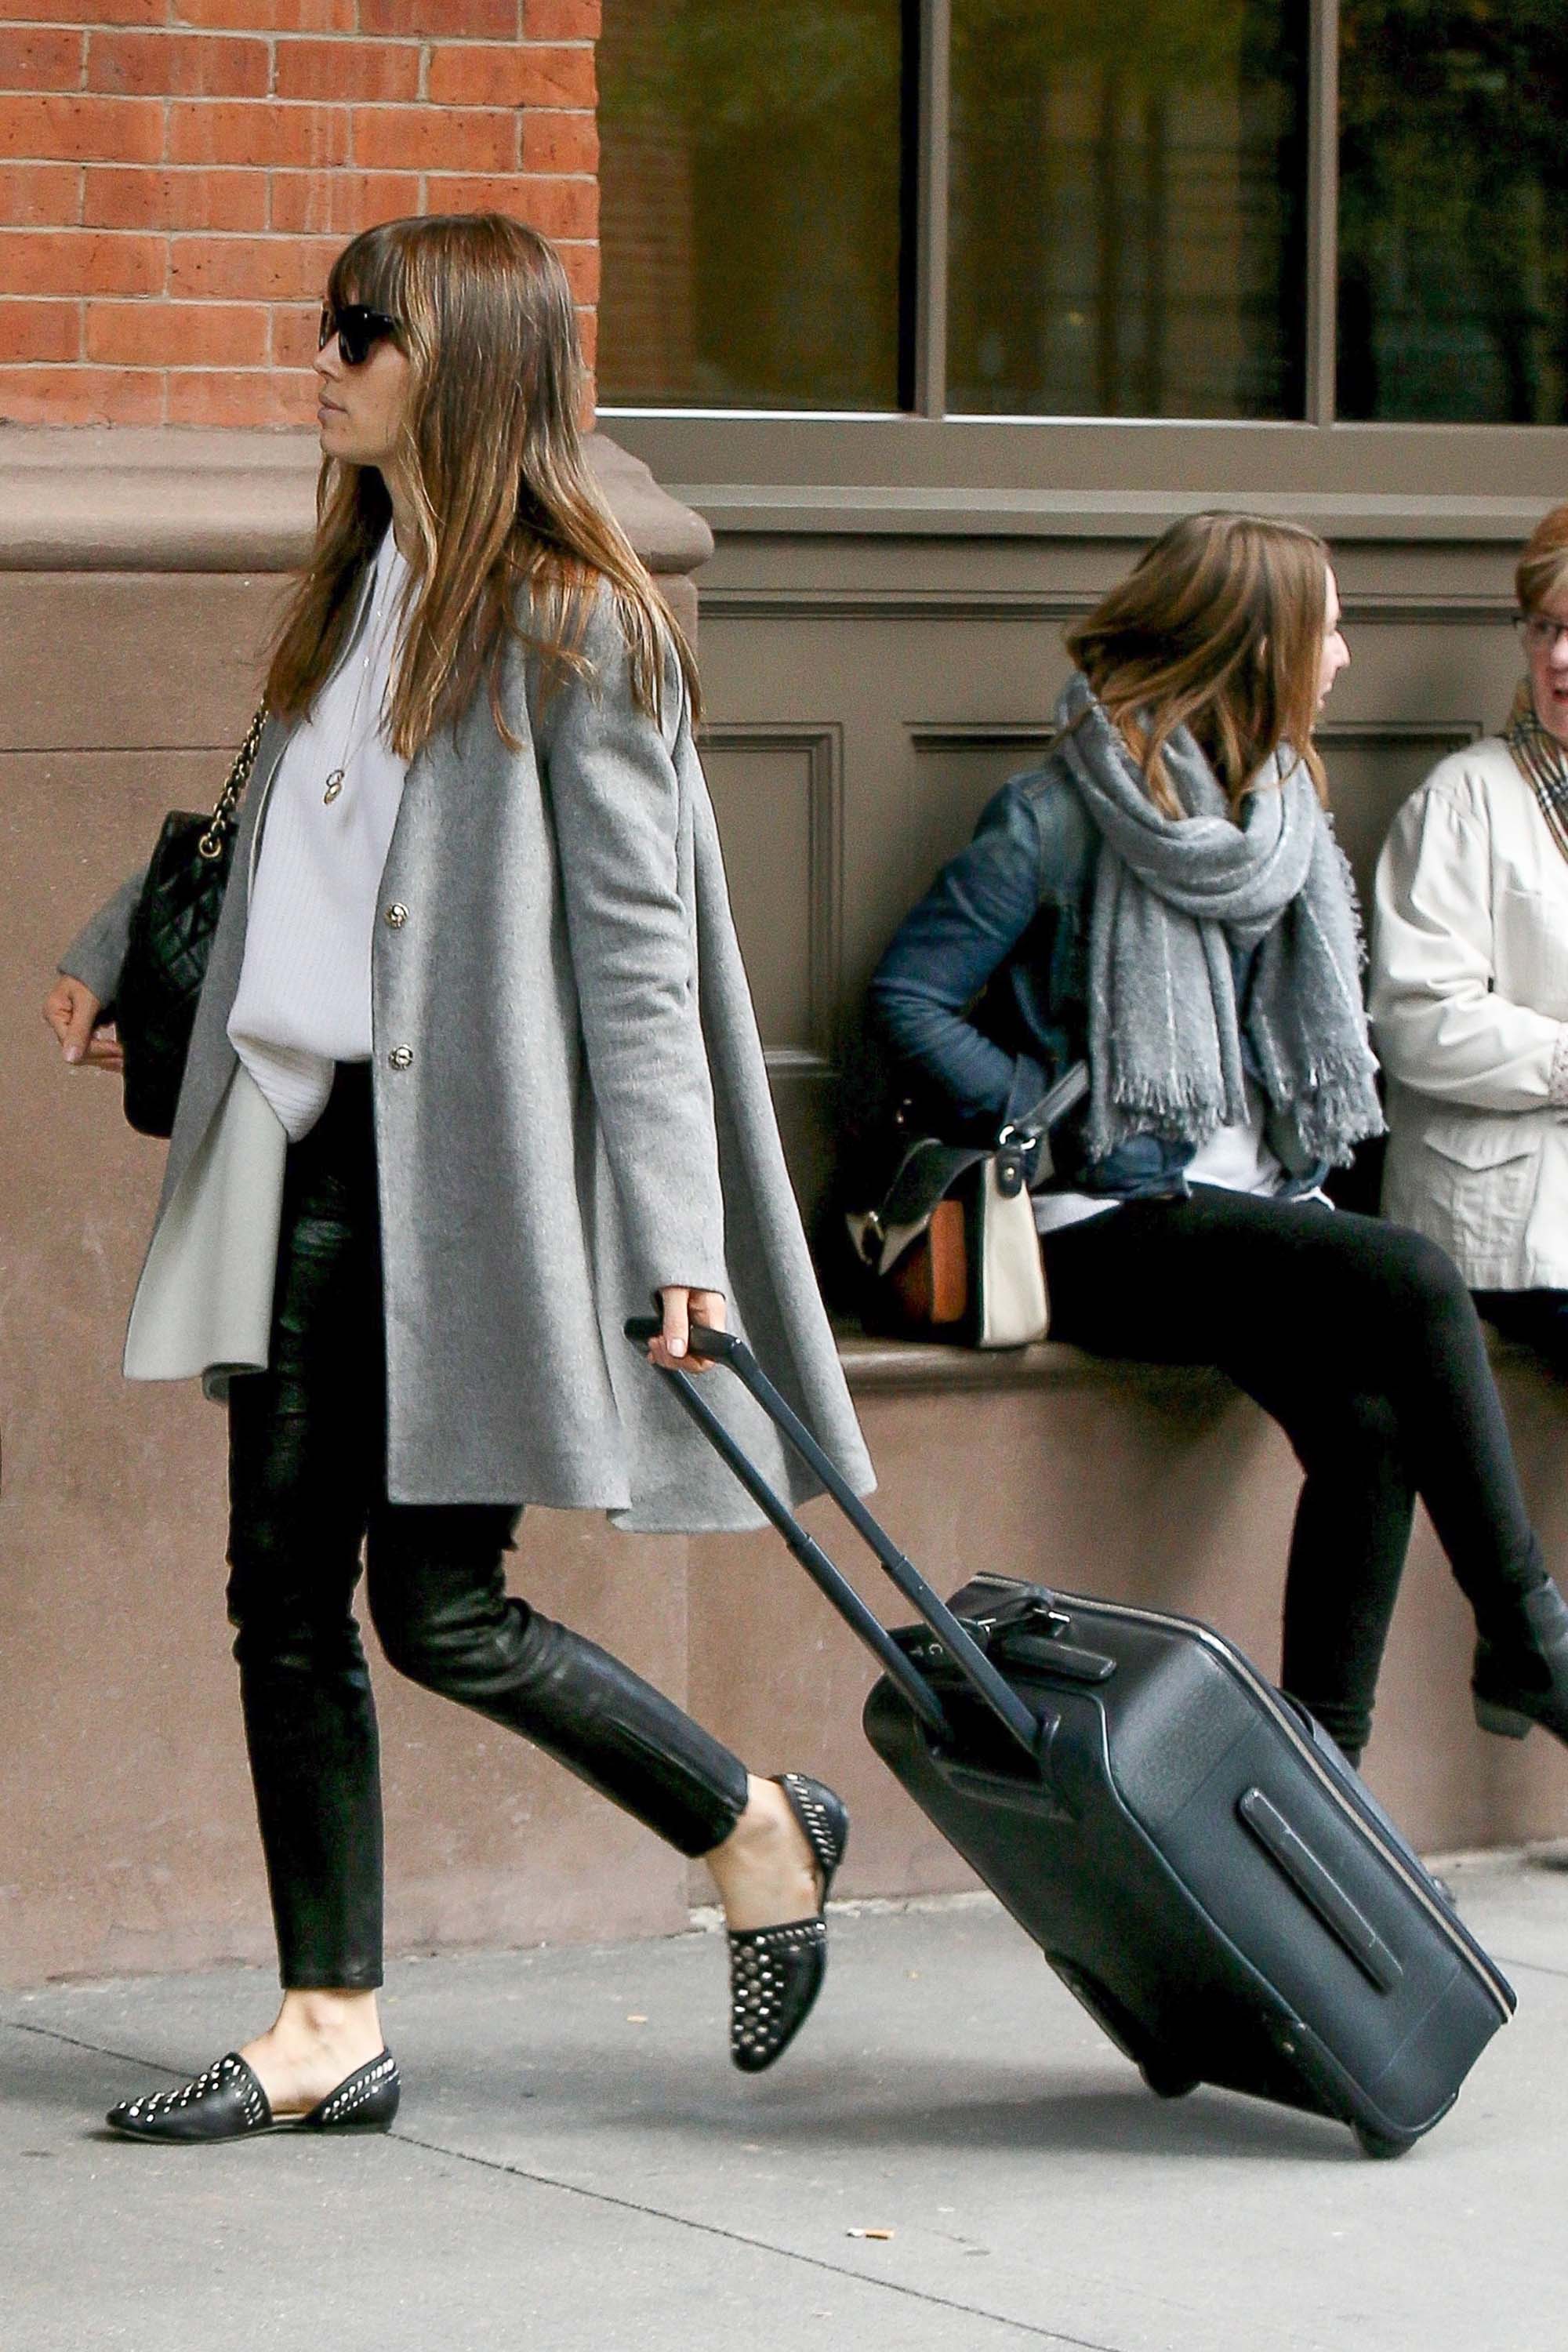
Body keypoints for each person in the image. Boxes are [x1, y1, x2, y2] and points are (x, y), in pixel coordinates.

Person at [44, 214, 869, 2145]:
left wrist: (678, 1238)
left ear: (469, 364)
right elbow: (289, 834)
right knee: (278, 1598)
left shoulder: (573, 625)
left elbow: (644, 965)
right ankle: (330, 2017)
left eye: (362, 332)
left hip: (448, 1195)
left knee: (441, 1610)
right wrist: (117, 932)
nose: (319, 357)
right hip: (300, 1149)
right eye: (326, 325)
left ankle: (753, 1824)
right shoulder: (360, 584)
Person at [869, 510, 1568, 1769]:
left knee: (1368, 1427)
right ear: (1260, 647)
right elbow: (909, 998)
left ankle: (1322, 1774)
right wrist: (1053, 1105)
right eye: (1331, 629)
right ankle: (1528, 1634)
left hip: (1255, 1214)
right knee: (1409, 1271)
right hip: (1109, 1219)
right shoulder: (1057, 818)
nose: (1345, 655)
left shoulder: (1284, 816)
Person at [1370, 502, 1568, 1741]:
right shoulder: (1468, 801)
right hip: (1508, 1210)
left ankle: (1525, 1666)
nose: (1562, 656)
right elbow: (1418, 1018)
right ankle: (1532, 1659)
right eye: (1548, 626)